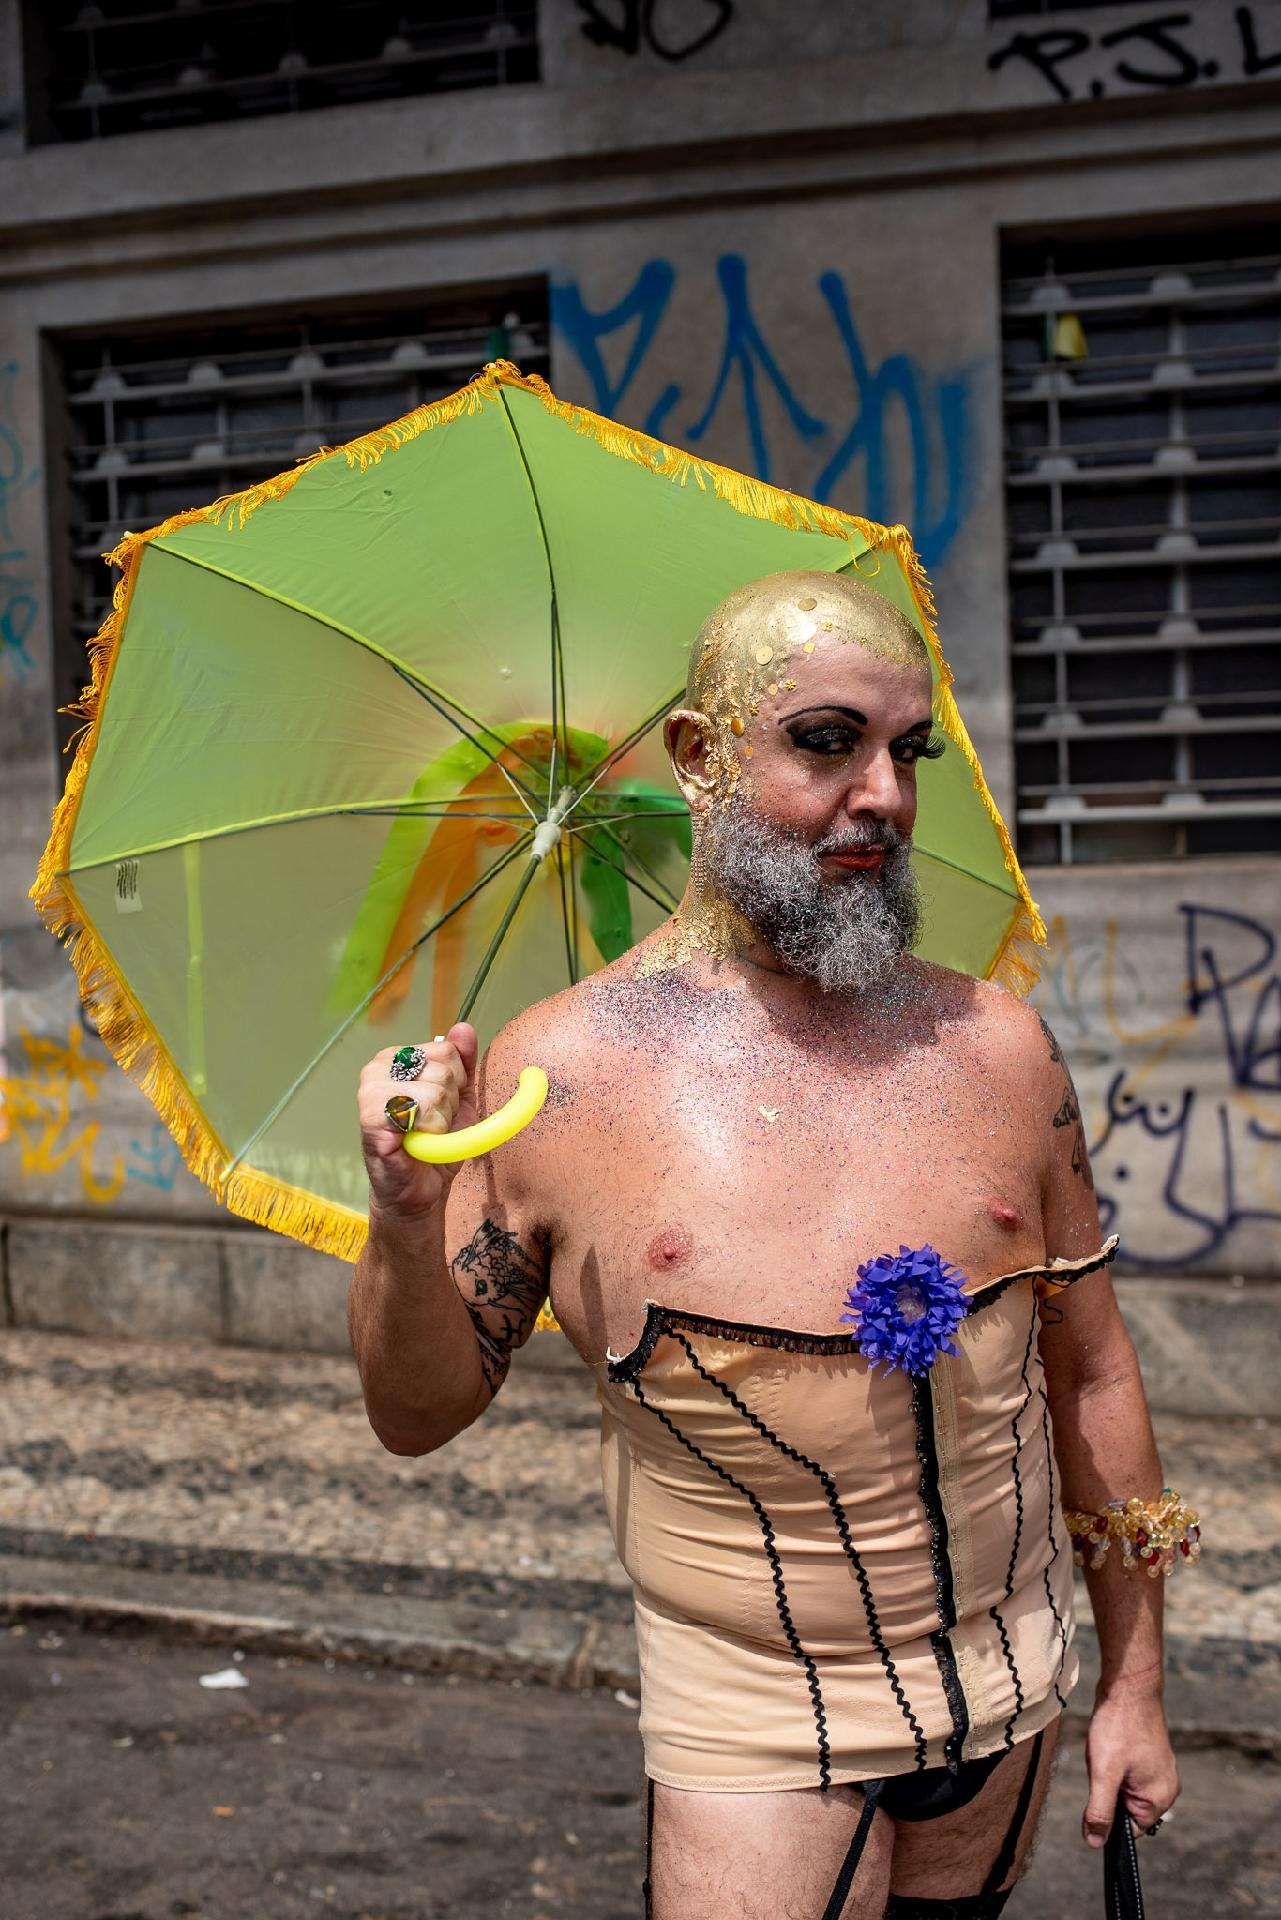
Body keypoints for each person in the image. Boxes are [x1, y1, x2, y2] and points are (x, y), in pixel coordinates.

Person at [348, 570, 1196, 1918]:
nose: (883, 797)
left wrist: (1135, 1688)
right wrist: (401, 1221)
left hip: (1014, 1691)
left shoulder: (993, 1045)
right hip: (755, 1729)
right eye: (824, 741)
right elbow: (413, 1412)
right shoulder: (558, 1073)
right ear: (696, 755)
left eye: (905, 751)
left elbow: (1089, 1372)